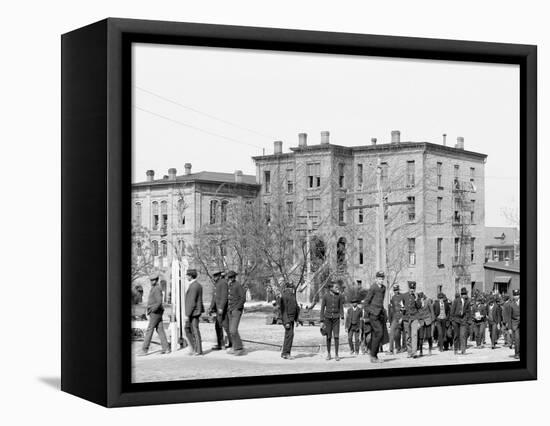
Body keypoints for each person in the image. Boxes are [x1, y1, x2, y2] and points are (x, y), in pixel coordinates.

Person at [139, 271, 170, 356]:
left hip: (155, 313)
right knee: (160, 330)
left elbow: (159, 302)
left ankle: (144, 350)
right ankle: (166, 348)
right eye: (151, 280)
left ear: (156, 280)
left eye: (153, 280)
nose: (151, 282)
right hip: (157, 313)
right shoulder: (155, 288)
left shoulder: (156, 289)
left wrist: (152, 309)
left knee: (149, 330)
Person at [363, 271, 387, 363]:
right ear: (376, 279)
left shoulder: (384, 288)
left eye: (382, 279)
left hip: (380, 314)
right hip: (373, 315)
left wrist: (383, 311)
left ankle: (374, 355)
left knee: (375, 335)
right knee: (379, 333)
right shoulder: (373, 288)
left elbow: (381, 301)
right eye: (379, 279)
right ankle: (373, 355)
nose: (381, 280)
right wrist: (372, 312)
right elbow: (366, 304)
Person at [320, 281, 345, 361]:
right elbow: (322, 309)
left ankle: (337, 354)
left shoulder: (339, 296)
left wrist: (342, 317)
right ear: (331, 288)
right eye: (336, 287)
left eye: (338, 287)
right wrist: (321, 321)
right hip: (327, 319)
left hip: (336, 319)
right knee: (328, 336)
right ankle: (328, 353)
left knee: (336, 336)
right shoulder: (325, 296)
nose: (337, 289)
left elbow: (341, 307)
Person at [209, 270, 231, 350]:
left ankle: (222, 344)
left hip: (221, 309)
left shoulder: (223, 282)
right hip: (218, 309)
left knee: (220, 326)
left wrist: (221, 307)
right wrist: (211, 307)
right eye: (213, 276)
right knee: (224, 326)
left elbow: (224, 297)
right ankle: (224, 344)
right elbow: (214, 297)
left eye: (215, 276)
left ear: (218, 276)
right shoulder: (217, 284)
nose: (214, 277)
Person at [184, 269, 204, 355]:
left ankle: (198, 350)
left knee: (194, 330)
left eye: (187, 275)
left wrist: (187, 314)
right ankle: (195, 348)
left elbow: (191, 302)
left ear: (190, 276)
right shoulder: (197, 285)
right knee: (190, 329)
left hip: (193, 312)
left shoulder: (193, 286)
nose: (186, 277)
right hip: (195, 311)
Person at [227, 270, 246, 355]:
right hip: (230, 310)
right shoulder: (230, 285)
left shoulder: (238, 285)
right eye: (229, 277)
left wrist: (237, 307)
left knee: (233, 330)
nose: (230, 279)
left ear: (234, 277)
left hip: (236, 310)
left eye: (231, 277)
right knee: (231, 331)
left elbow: (243, 298)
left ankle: (239, 348)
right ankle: (235, 347)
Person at [280, 281, 300, 359]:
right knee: (290, 335)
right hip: (287, 319)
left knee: (289, 335)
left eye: (293, 288)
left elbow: (296, 308)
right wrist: (287, 321)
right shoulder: (284, 296)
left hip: (292, 318)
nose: (293, 289)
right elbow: (283, 310)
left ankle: (284, 353)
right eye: (292, 288)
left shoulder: (293, 296)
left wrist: (297, 319)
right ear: (288, 288)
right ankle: (286, 353)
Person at [402, 281, 422, 358]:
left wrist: (417, 299)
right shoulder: (404, 296)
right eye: (411, 288)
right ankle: (409, 352)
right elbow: (400, 305)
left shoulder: (417, 296)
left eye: (413, 288)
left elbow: (419, 306)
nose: (412, 290)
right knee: (408, 335)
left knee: (414, 334)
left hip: (414, 318)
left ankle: (414, 352)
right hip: (406, 318)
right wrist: (402, 309)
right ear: (408, 288)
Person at [451, 287, 471, 355]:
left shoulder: (468, 302)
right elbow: (452, 311)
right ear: (462, 294)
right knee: (456, 335)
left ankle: (463, 350)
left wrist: (467, 319)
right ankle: (456, 349)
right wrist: (452, 320)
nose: (465, 295)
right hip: (456, 320)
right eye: (464, 294)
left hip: (463, 320)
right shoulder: (456, 301)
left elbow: (468, 312)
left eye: (466, 294)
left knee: (463, 335)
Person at [388, 284, 404, 355]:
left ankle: (399, 348)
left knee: (398, 334)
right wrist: (391, 320)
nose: (396, 291)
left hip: (401, 317)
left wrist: (402, 318)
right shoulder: (393, 298)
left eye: (397, 290)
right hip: (395, 318)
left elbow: (404, 309)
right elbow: (392, 310)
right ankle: (391, 350)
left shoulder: (402, 297)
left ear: (398, 290)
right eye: (394, 290)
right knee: (391, 333)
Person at [510, 289, 520, 359]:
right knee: (517, 339)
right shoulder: (511, 304)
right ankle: (517, 353)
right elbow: (509, 317)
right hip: (515, 324)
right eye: (515, 295)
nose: (516, 296)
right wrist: (510, 328)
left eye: (517, 295)